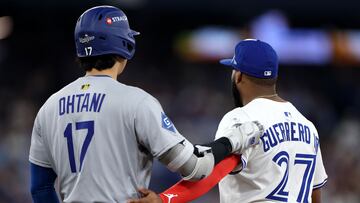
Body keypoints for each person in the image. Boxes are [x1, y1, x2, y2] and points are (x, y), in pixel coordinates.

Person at [28, 6, 264, 203]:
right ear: (125, 45)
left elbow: (40, 189)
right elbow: (195, 167)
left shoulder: (49, 107)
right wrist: (233, 140)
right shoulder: (137, 102)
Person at [129, 39, 328, 203]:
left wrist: (164, 199)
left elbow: (211, 172)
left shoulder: (241, 117)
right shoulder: (308, 127)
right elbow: (315, 193)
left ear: (239, 75)